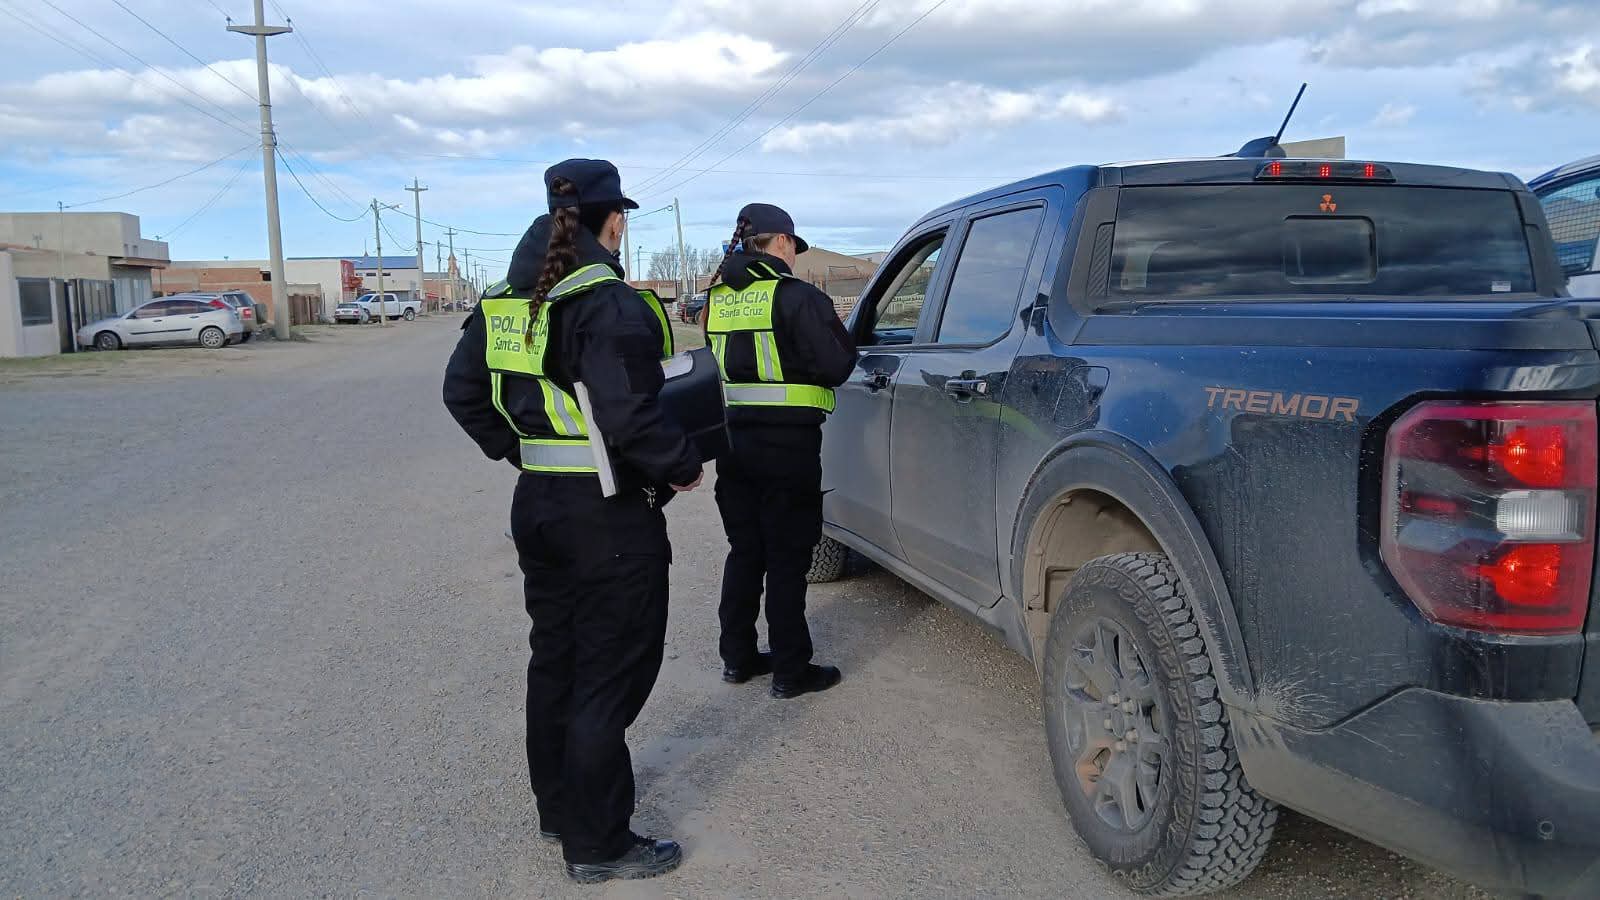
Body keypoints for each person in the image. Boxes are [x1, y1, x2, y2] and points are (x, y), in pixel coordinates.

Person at [442, 159, 702, 884]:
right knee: (608, 673)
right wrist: (681, 464)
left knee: (557, 661)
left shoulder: (504, 300)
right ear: (611, 218)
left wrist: (524, 453)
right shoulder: (603, 300)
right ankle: (598, 842)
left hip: (542, 507)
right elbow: (629, 414)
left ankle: (560, 807)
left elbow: (462, 393)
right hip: (607, 515)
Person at [704, 203, 856, 699]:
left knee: (745, 551)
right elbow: (837, 364)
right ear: (783, 243)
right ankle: (792, 669)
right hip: (787, 446)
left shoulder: (718, 300)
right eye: (794, 246)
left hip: (733, 445)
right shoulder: (797, 297)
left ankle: (738, 658)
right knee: (788, 557)